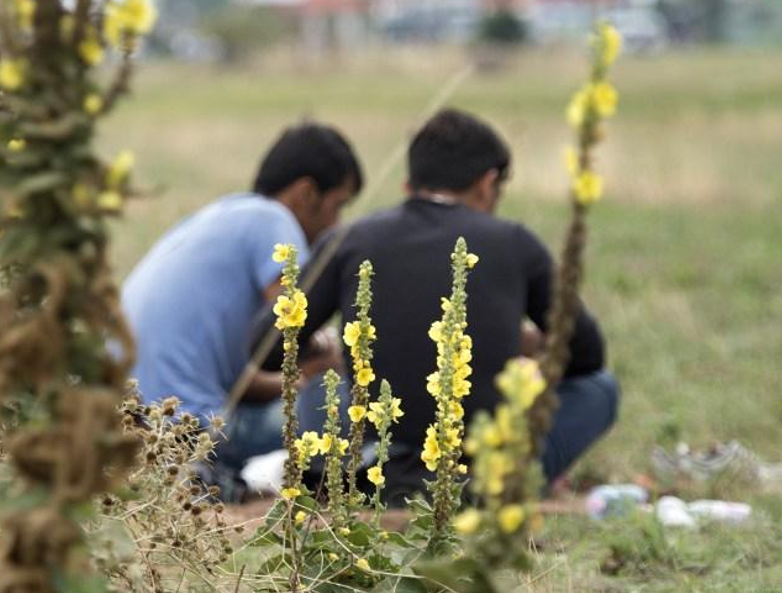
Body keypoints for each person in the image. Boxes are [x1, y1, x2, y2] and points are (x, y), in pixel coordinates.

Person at [260, 108, 618, 502]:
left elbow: (266, 347)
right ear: (488, 184)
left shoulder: (350, 240)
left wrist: (327, 353)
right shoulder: (515, 242)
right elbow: (587, 355)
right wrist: (519, 348)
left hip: (377, 457)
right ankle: (504, 482)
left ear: (408, 183)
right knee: (599, 389)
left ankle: (350, 474)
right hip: (479, 464)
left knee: (323, 387)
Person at [121, 121, 364, 476]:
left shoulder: (223, 215)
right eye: (338, 206)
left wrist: (301, 375)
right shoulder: (274, 222)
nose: (336, 225)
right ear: (306, 193)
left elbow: (239, 380)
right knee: (351, 404)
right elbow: (291, 332)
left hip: (131, 416)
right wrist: (323, 362)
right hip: (193, 430)